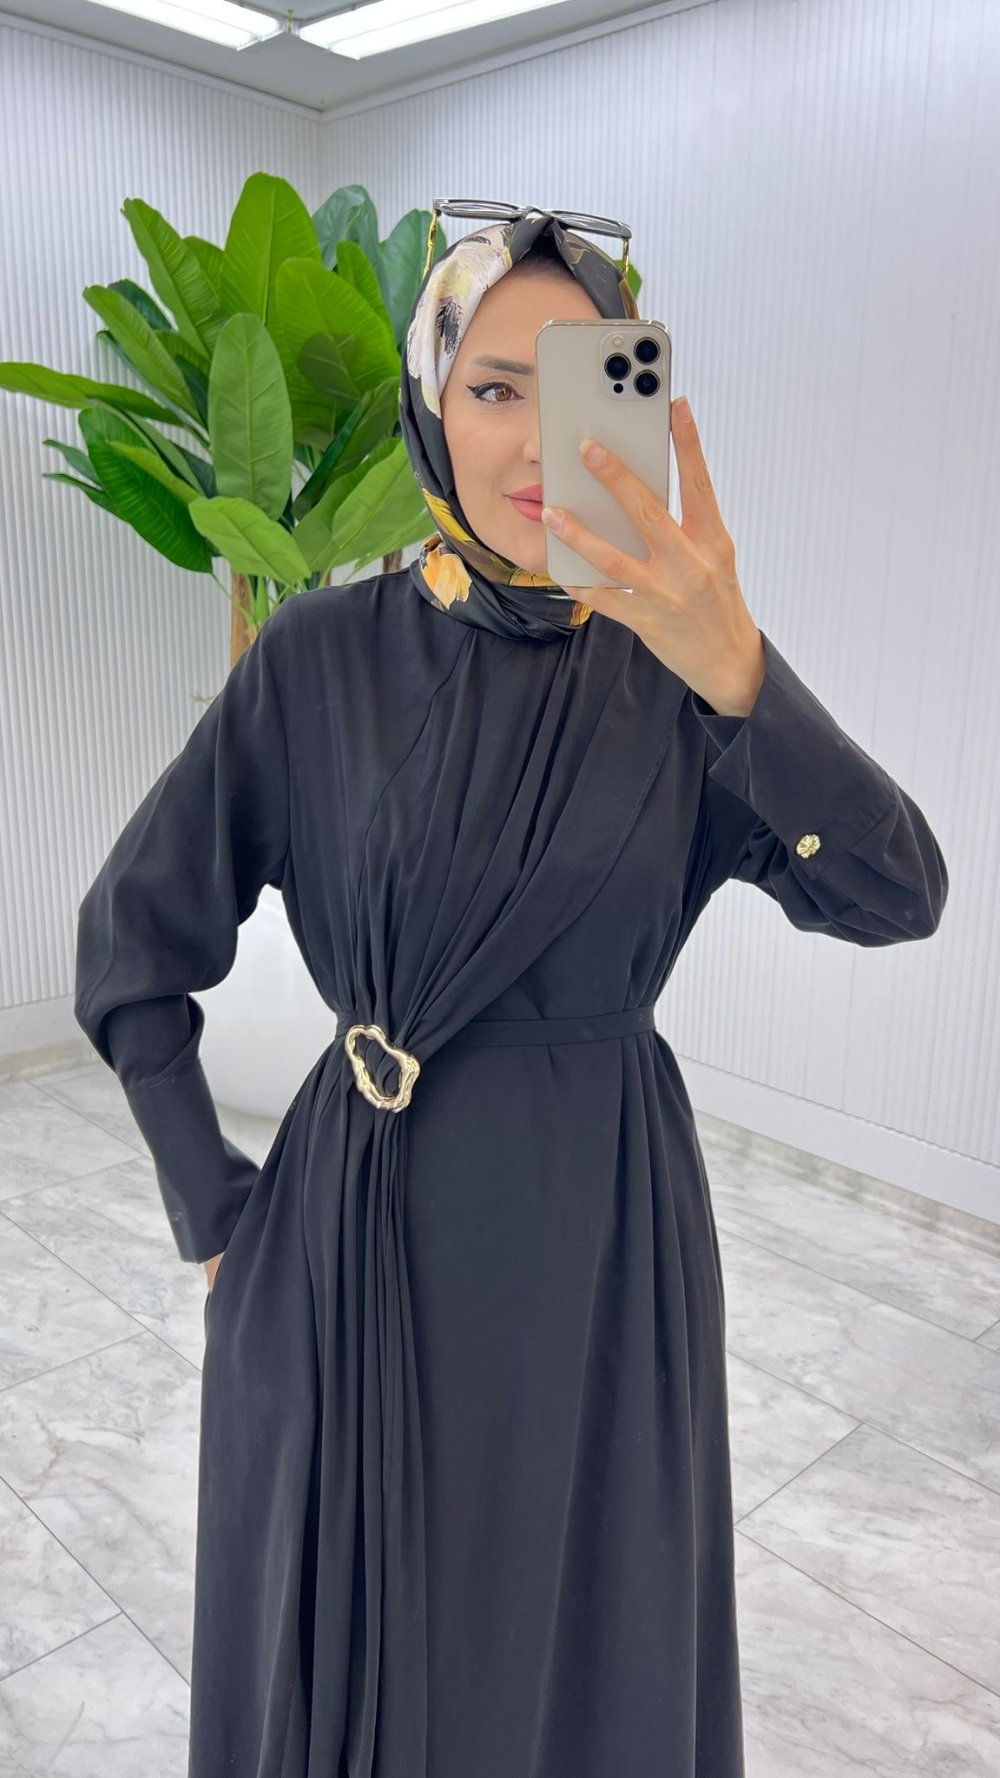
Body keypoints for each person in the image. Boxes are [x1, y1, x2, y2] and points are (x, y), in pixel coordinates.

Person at [73, 210, 949, 1778]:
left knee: (577, 1634)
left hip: (597, 1244)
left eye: (583, 381)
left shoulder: (681, 681)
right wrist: (214, 1210)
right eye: (493, 388)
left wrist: (740, 670)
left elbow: (896, 894)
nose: (541, 439)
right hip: (353, 1234)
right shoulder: (319, 657)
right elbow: (132, 940)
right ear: (430, 404)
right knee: (351, 1647)